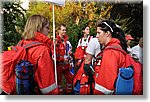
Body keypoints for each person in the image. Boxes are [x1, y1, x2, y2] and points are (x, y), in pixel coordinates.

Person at [4, 15, 58, 95]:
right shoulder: (42, 50)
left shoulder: (21, 44)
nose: (49, 30)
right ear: (39, 28)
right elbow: (47, 87)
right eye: (47, 28)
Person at [88, 20, 128, 95]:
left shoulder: (110, 52)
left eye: (99, 33)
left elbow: (105, 87)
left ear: (107, 33)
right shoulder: (117, 48)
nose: (96, 36)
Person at [51, 24, 74, 94]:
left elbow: (69, 50)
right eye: (63, 30)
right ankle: (60, 94)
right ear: (58, 31)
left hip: (67, 64)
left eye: (65, 30)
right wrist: (62, 59)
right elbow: (54, 55)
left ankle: (69, 92)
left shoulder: (67, 41)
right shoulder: (56, 42)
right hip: (59, 65)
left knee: (69, 79)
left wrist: (70, 53)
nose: (64, 31)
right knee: (59, 81)